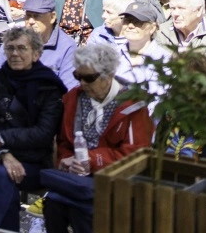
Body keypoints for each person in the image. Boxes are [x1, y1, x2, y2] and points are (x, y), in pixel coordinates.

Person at [42, 43, 153, 233]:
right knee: (53, 204)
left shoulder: (133, 104)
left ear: (108, 75)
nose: (82, 83)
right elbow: (63, 142)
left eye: (89, 78)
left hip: (115, 181)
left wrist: (92, 160)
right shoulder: (73, 98)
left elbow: (136, 155)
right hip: (77, 181)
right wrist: (66, 161)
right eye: (78, 76)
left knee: (83, 211)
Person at [0, 25, 67, 231]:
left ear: (36, 54)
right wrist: (4, 154)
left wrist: (3, 139)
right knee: (4, 176)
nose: (15, 53)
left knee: (3, 177)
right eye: (10, 48)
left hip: (34, 162)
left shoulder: (49, 86)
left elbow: (43, 133)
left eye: (22, 48)